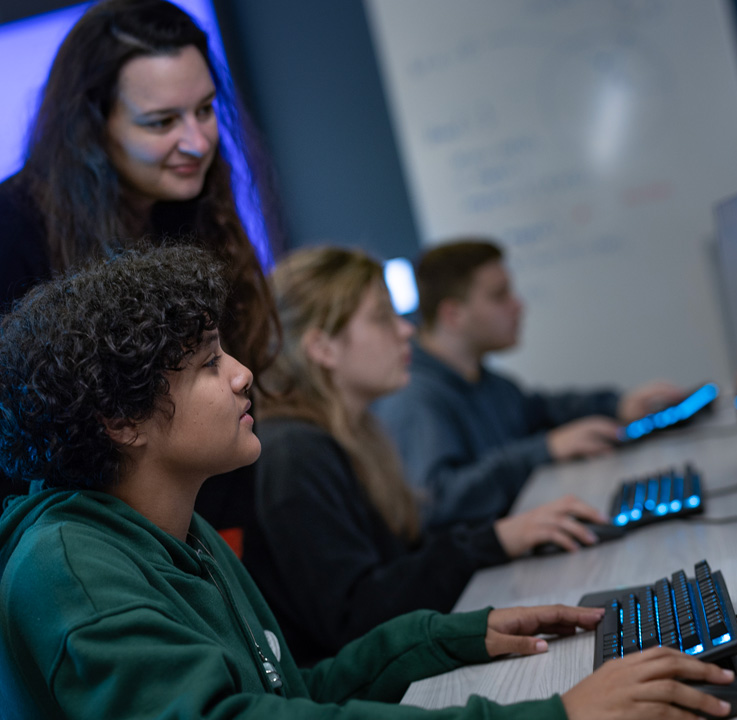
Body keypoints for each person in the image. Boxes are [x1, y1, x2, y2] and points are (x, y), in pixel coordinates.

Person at [0, 245, 736, 720]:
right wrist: (553, 715)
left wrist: (457, 635)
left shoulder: (171, 530)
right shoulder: (75, 574)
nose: (243, 376)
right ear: (122, 422)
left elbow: (290, 693)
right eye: (206, 368)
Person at [0, 0, 279, 576]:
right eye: (161, 122)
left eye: (205, 111)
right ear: (94, 123)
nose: (197, 141)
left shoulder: (186, 215)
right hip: (0, 558)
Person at [241, 246, 614, 666]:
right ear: (323, 348)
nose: (406, 332)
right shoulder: (296, 454)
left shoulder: (357, 434)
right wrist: (493, 541)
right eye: (383, 318)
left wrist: (500, 539)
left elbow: (403, 557)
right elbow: (354, 614)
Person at [375, 239, 692, 527]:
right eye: (500, 296)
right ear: (453, 315)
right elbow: (437, 500)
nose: (518, 305)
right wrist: (546, 448)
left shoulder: (488, 382)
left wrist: (617, 405)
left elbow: (542, 410)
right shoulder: (415, 399)